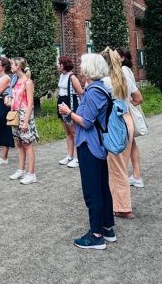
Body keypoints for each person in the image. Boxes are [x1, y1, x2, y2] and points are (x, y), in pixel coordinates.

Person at [58, 53, 116, 250]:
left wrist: (68, 113)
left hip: (90, 145)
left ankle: (96, 234)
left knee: (92, 190)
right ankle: (107, 228)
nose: (81, 68)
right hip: (96, 145)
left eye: (83, 65)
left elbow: (87, 122)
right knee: (101, 187)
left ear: (90, 69)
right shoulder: (99, 89)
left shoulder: (93, 92)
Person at [100, 47, 135, 219]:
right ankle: (117, 202)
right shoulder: (124, 77)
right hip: (127, 120)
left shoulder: (106, 82)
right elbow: (137, 97)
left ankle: (123, 207)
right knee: (120, 165)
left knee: (117, 168)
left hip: (114, 123)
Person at [5, 57, 39, 185]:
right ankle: (21, 169)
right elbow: (14, 97)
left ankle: (31, 173)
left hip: (25, 115)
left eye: (12, 65)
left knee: (27, 143)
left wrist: (25, 122)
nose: (11, 66)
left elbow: (30, 104)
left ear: (18, 66)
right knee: (19, 143)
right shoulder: (15, 81)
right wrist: (9, 100)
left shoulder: (28, 82)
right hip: (15, 114)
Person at [117, 48, 145, 188]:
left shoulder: (123, 72)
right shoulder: (125, 71)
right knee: (131, 144)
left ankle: (134, 176)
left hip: (123, 115)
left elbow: (138, 97)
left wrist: (127, 106)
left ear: (121, 58)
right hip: (124, 113)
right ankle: (136, 175)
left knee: (127, 145)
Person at [56, 56, 83, 168]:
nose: (58, 65)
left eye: (59, 63)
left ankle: (77, 157)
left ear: (64, 65)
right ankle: (69, 155)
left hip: (70, 104)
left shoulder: (72, 77)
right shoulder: (62, 76)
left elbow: (80, 93)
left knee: (74, 132)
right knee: (67, 132)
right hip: (61, 103)